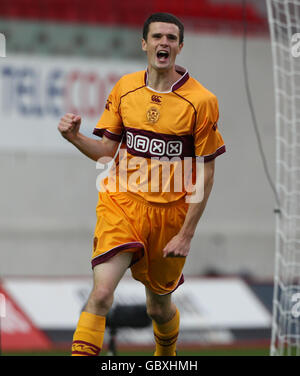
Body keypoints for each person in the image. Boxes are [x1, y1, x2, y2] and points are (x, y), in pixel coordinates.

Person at [58, 12, 225, 356]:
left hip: (170, 216)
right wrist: (75, 137)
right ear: (144, 43)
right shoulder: (125, 88)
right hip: (121, 203)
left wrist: (186, 233)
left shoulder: (201, 102)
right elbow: (106, 151)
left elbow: (207, 174)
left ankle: (166, 356)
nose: (163, 43)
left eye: (171, 38)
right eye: (157, 37)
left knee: (158, 308)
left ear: (180, 46)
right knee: (102, 294)